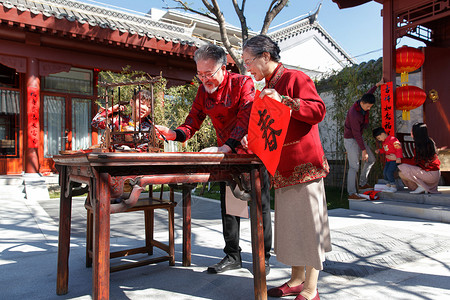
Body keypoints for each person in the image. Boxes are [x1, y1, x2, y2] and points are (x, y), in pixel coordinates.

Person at [154, 44, 273, 274]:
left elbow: (246, 116)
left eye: (209, 74)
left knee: (261, 206)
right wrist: (173, 134)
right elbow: (192, 121)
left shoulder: (242, 83)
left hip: (251, 152)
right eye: (200, 74)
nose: (204, 80)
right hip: (226, 155)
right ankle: (232, 255)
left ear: (223, 68)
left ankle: (263, 257)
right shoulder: (203, 91)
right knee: (230, 205)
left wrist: (227, 146)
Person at [241, 35, 330, 300]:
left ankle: (311, 288)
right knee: (292, 226)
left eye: (249, 62)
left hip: (305, 163)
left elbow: (318, 110)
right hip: (283, 166)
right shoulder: (268, 86)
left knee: (310, 226)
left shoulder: (295, 78)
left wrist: (286, 101)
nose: (247, 68)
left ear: (265, 56)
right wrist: (251, 138)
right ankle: (296, 279)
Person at [344, 80, 384, 200]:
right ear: (363, 103)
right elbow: (356, 133)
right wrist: (363, 150)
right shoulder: (354, 114)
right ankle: (351, 193)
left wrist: (376, 85)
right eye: (368, 106)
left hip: (358, 138)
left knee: (371, 159)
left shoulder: (362, 103)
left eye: (371, 106)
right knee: (354, 166)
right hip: (351, 139)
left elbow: (368, 94)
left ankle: (362, 184)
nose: (369, 108)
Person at [398, 122, 441, 194]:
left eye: (412, 131)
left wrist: (400, 160)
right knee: (402, 173)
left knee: (403, 167)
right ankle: (421, 187)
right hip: (435, 174)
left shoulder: (420, 145)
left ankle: (422, 187)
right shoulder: (430, 142)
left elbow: (414, 161)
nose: (411, 132)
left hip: (429, 174)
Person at [373, 127, 403, 192]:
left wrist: (398, 157)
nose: (379, 140)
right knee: (385, 172)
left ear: (382, 134)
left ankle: (393, 186)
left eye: (379, 138)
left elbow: (398, 148)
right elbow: (385, 149)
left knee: (389, 172)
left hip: (394, 160)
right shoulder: (384, 142)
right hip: (388, 160)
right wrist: (380, 151)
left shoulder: (393, 139)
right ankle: (388, 185)